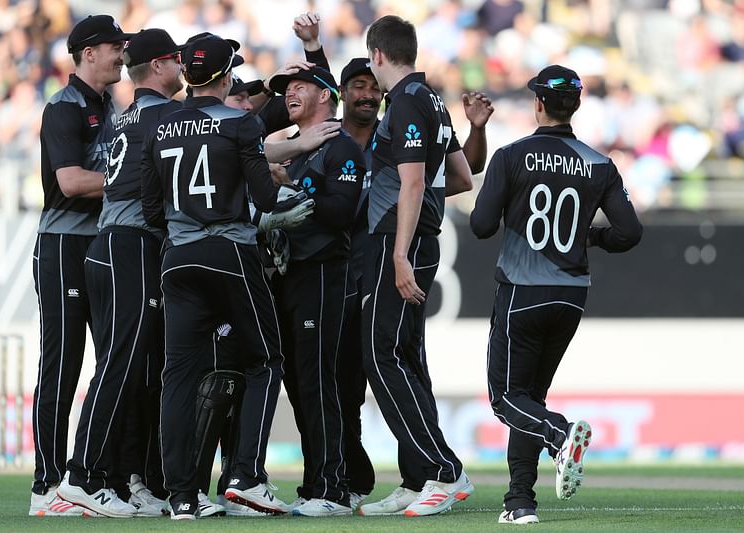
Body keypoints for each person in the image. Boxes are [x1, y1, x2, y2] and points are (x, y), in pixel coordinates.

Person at [470, 64, 643, 525]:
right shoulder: (598, 163)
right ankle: (519, 502)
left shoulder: (511, 156)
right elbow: (629, 232)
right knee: (531, 396)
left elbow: (482, 225)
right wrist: (592, 238)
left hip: (522, 290)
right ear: (577, 106)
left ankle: (560, 434)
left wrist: (511, 204)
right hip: (569, 296)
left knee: (507, 399)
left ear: (538, 104)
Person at [141, 34, 290, 520]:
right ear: (226, 76)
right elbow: (265, 200)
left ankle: (182, 495)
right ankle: (245, 476)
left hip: (178, 259)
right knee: (265, 360)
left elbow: (149, 206)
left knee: (179, 376)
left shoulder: (158, 122)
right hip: (229, 252)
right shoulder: (241, 123)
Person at [57, 28, 186, 518]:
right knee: (119, 362)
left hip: (109, 246)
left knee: (129, 364)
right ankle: (81, 476)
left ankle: (115, 478)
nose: (182, 70)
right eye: (177, 60)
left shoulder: (125, 116)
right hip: (129, 246)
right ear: (158, 66)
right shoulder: (167, 116)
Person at [358, 15, 476, 518]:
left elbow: (410, 183)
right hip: (419, 239)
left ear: (377, 55)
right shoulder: (432, 100)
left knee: (380, 353)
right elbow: (462, 177)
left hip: (396, 242)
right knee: (406, 357)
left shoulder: (406, 101)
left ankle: (442, 470)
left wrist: (400, 253)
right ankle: (418, 476)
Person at [29, 14, 131, 518]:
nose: (122, 55)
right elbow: (70, 182)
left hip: (100, 243)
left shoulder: (111, 105)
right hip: (64, 245)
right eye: (115, 46)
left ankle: (93, 479)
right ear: (88, 52)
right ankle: (46, 487)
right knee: (63, 365)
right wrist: (134, 177)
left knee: (114, 358)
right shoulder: (63, 108)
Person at [265, 65, 363, 517]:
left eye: (300, 87)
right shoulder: (296, 147)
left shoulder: (341, 147)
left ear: (326, 96)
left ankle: (332, 487)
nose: (290, 94)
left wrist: (291, 186)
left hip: (321, 270)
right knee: (297, 379)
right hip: (288, 272)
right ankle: (316, 482)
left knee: (316, 377)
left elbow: (341, 213)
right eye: (287, 89)